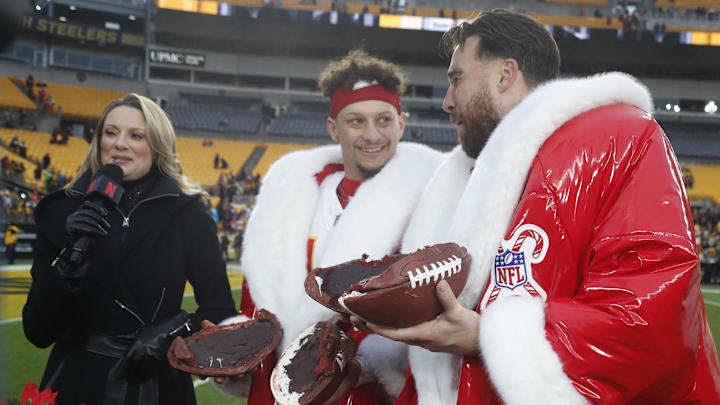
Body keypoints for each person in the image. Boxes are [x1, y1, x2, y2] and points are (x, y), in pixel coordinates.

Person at [362, 9, 720, 404]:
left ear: (505, 74)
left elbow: (653, 316)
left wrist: (486, 338)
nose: (447, 101)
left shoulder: (620, 136)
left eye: (456, 79)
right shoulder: (467, 175)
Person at [213, 49, 443, 404]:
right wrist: (235, 348)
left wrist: (364, 364)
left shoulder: (431, 208)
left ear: (402, 123)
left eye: (383, 120)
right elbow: (259, 307)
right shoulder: (286, 202)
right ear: (333, 128)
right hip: (282, 390)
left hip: (371, 395)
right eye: (356, 121)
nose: (372, 134)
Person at [22, 93, 237, 405]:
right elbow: (37, 332)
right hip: (76, 382)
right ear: (99, 141)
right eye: (111, 132)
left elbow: (219, 312)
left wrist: (172, 330)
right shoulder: (60, 210)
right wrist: (66, 267)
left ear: (158, 145)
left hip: (157, 386)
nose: (119, 143)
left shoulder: (189, 214)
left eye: (136, 135)